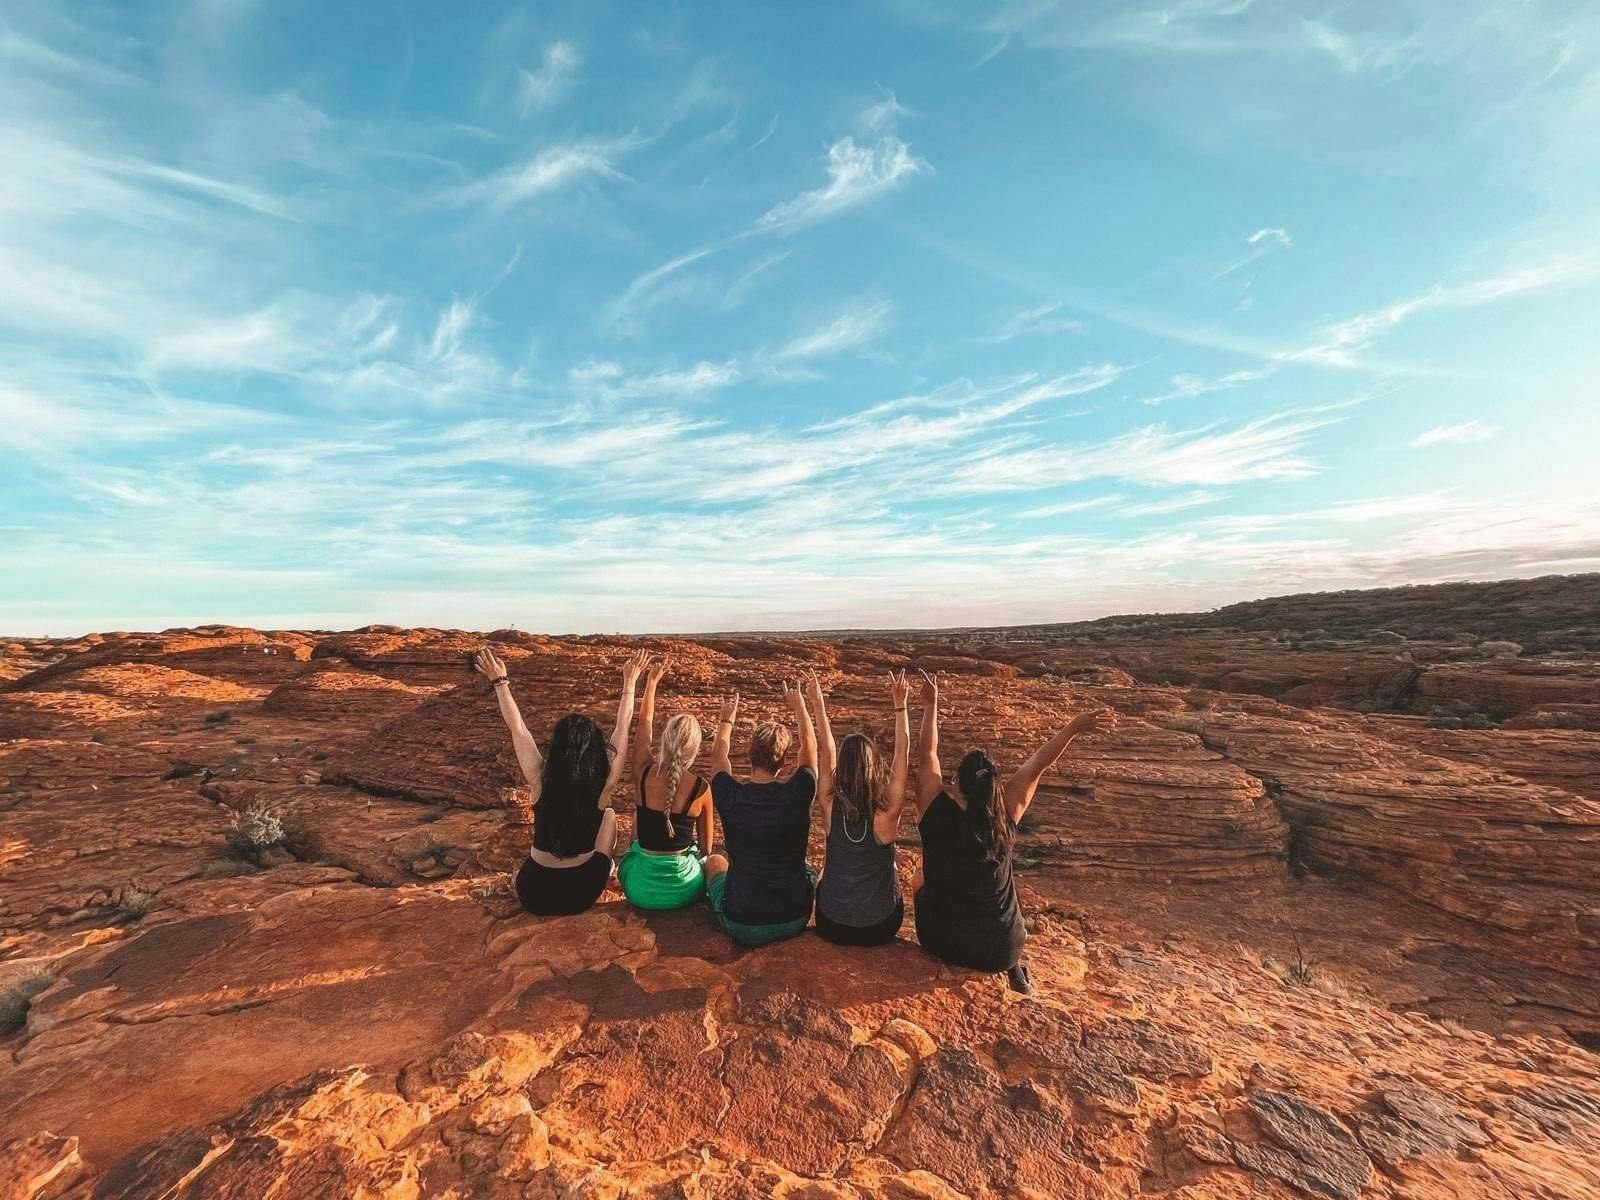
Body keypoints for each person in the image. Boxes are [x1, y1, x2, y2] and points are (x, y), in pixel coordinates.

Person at [910, 670, 1109, 994]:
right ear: (993, 787)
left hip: (946, 944)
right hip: (1004, 950)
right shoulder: (1006, 815)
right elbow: (1037, 764)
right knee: (1000, 887)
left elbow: (927, 754)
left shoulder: (933, 808)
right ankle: (1015, 971)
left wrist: (931, 705)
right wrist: (1072, 728)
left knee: (919, 878)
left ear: (955, 783)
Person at [474, 646, 650, 916]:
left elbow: (518, 728)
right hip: (579, 894)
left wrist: (500, 681)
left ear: (557, 747)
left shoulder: (540, 777)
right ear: (593, 749)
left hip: (532, 893)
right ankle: (609, 870)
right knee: (610, 815)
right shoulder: (604, 783)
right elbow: (621, 728)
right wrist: (630, 682)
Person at [703, 683, 819, 946]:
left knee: (715, 862)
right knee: (810, 869)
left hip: (741, 921)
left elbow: (718, 755)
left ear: (748, 755)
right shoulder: (798, 793)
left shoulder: (730, 795)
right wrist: (800, 706)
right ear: (784, 761)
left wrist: (726, 720)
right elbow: (809, 747)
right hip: (794, 918)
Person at [809, 668, 912, 946]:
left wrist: (817, 703)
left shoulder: (830, 804)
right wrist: (900, 705)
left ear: (841, 769)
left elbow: (826, 749)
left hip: (831, 925)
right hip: (880, 928)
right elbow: (903, 755)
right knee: (891, 865)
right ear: (874, 766)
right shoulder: (886, 812)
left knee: (820, 873)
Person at [617, 657, 716, 910]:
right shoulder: (701, 788)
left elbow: (644, 726)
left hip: (639, 890)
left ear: (665, 741)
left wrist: (651, 683)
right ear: (694, 749)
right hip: (685, 889)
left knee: (637, 816)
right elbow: (706, 848)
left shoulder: (643, 773)